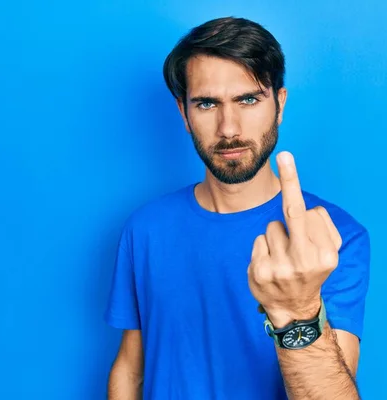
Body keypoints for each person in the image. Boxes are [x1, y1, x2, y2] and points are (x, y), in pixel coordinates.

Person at [104, 16, 370, 400]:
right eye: (207, 103)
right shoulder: (144, 228)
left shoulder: (333, 237)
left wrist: (297, 310)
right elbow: (131, 368)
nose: (228, 128)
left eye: (248, 99)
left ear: (279, 104)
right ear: (184, 114)